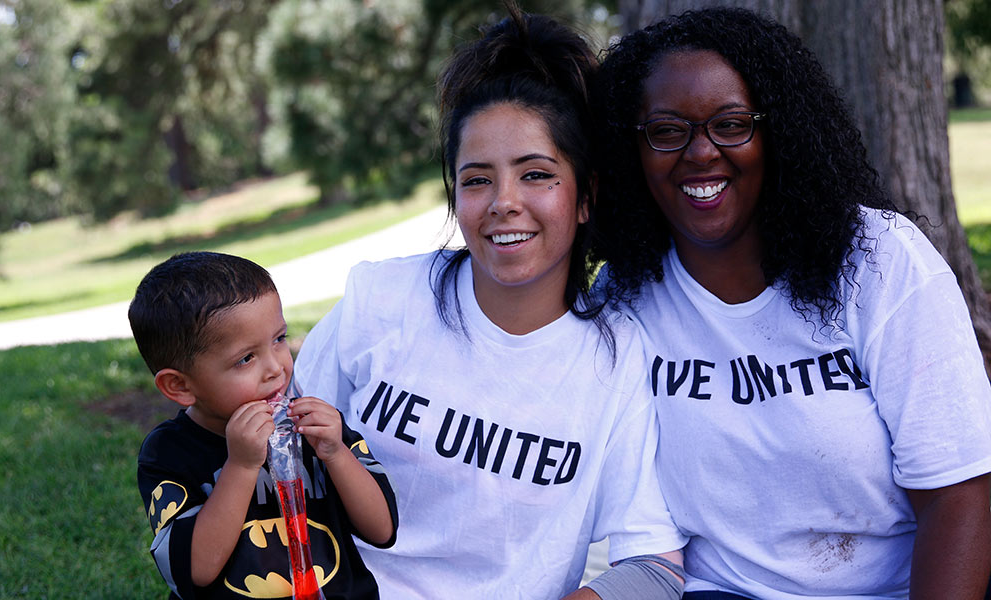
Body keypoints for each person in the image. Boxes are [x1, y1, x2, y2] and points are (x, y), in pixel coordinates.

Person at [590, 6, 991, 599]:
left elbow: (960, 497)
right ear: (633, 149)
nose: (701, 153)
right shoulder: (624, 298)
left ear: (779, 131)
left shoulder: (877, 262)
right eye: (668, 131)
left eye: (731, 125)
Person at [293, 5, 687, 599]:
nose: (503, 202)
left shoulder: (618, 358)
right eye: (477, 180)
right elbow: (280, 458)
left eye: (536, 174)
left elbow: (653, 566)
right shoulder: (380, 300)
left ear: (586, 197)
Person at [129, 251, 397, 600]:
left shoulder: (317, 428)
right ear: (181, 386)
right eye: (246, 358)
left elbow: (382, 530)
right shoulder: (169, 453)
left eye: (279, 339)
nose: (276, 368)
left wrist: (336, 452)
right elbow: (195, 571)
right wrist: (240, 466)